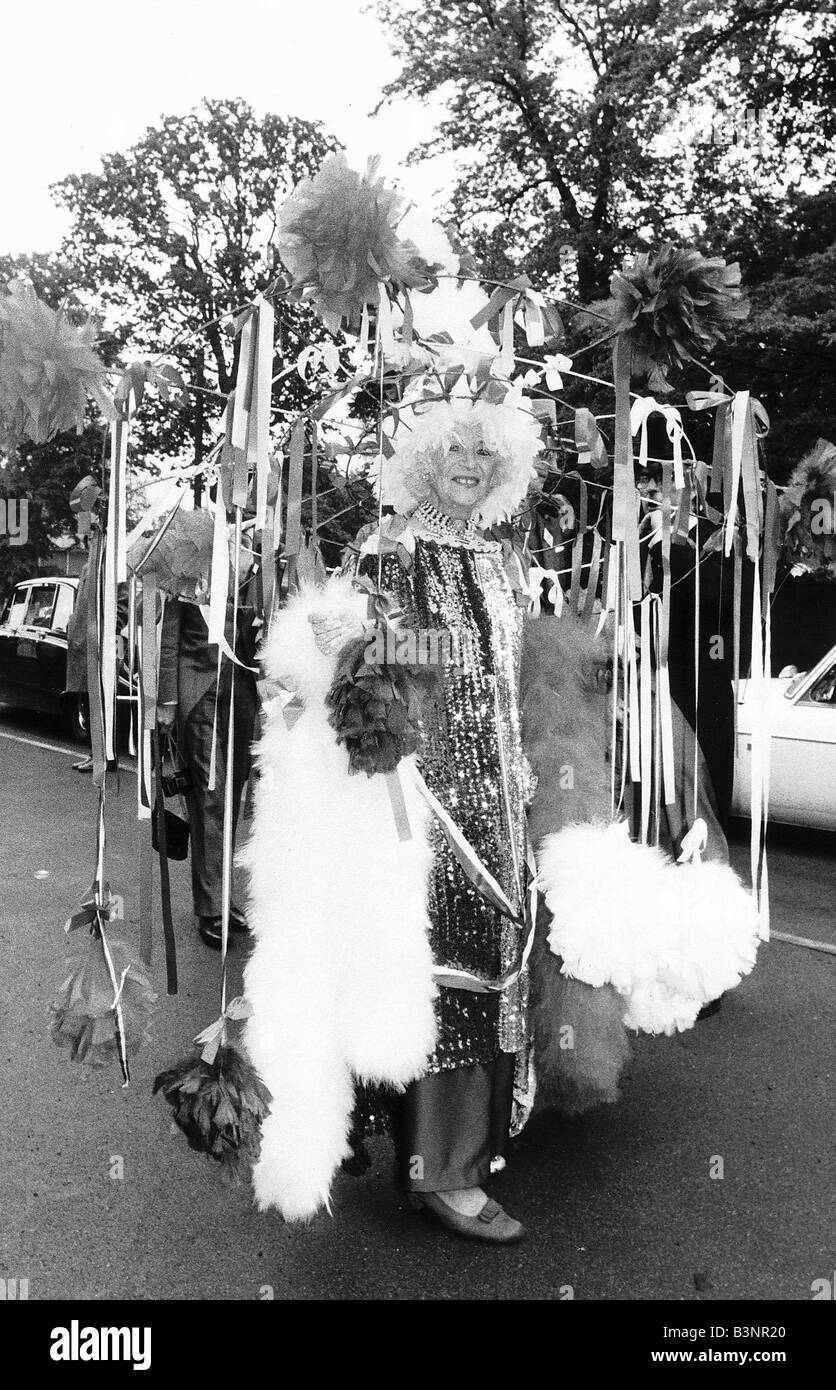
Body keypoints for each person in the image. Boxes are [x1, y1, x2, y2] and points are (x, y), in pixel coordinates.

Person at [242, 396, 543, 1243]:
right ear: (424, 460)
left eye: (486, 457)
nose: (471, 466)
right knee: (431, 962)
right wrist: (352, 635)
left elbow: (504, 676)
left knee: (487, 958)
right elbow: (373, 664)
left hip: (500, 797)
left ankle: (452, 1147)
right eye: (457, 451)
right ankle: (442, 1170)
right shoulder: (391, 549)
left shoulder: (499, 558)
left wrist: (517, 771)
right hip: (423, 796)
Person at [157, 530, 259, 949]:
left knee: (232, 799)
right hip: (199, 696)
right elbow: (167, 638)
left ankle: (224, 897)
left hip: (241, 698)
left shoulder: (259, 557)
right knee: (210, 798)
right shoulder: (189, 558)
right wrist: (165, 699)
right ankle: (209, 907)